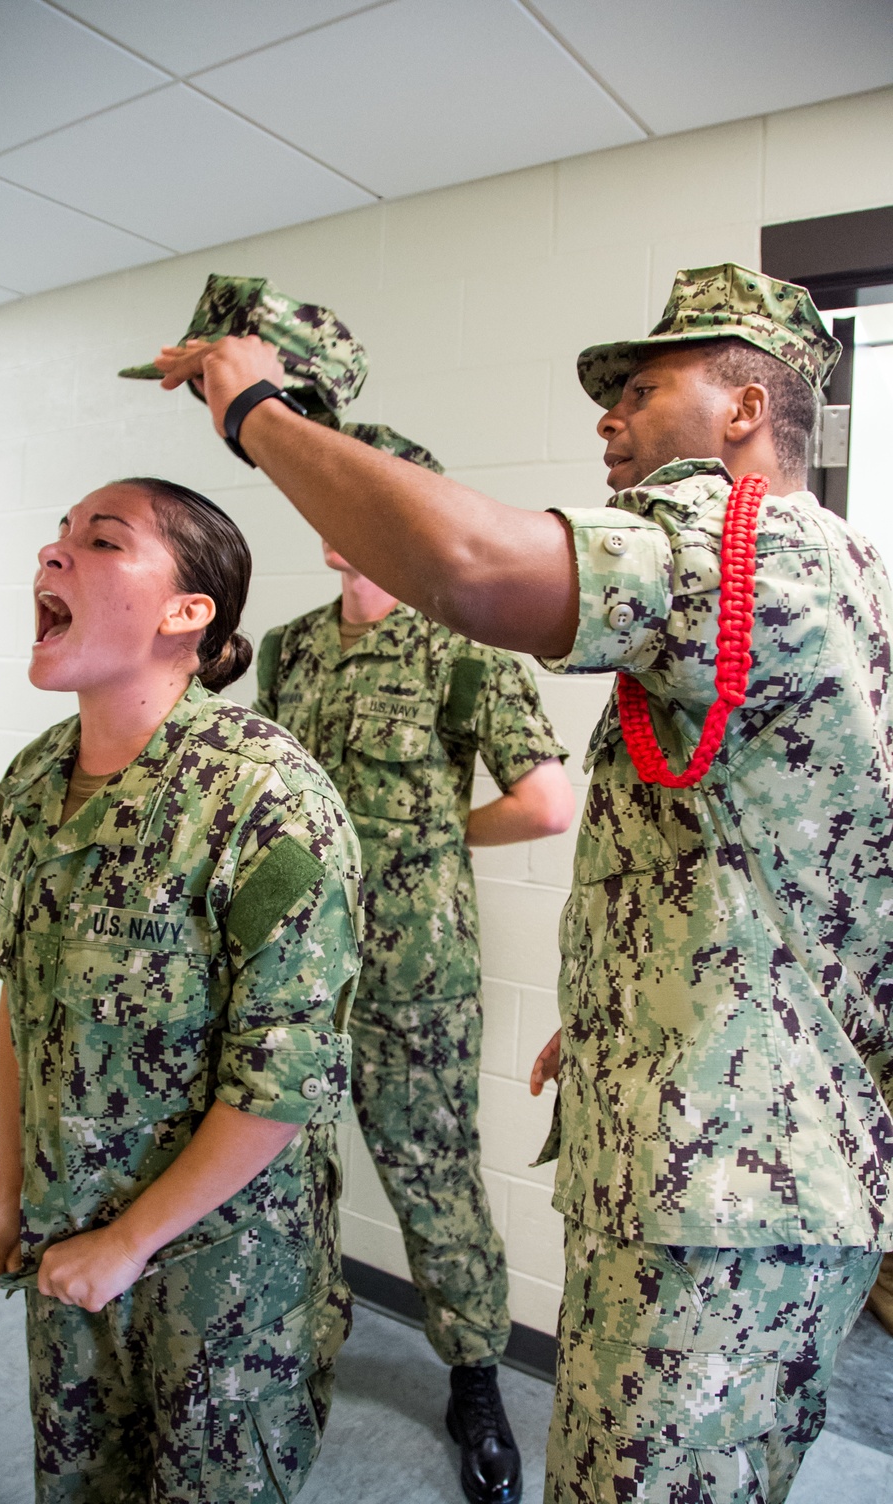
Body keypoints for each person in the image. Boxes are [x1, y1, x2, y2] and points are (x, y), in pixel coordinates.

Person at [152, 262, 893, 1504]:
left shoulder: (748, 546)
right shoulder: (834, 580)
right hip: (741, 1149)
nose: (605, 415)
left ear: (745, 409)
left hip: (716, 1201)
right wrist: (621, 1012)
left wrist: (260, 417)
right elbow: (797, 865)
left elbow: (469, 564)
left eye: (642, 386)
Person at [0, 477, 363, 1504]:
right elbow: (25, 998)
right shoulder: (31, 784)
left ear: (189, 615)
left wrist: (131, 1241)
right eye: (55, 539)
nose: (52, 557)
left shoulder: (266, 795)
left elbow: (285, 1079)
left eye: (99, 542)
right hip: (69, 1247)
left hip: (223, 1283)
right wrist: (9, 1186)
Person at [254, 421, 574, 1504]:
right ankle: (283, 1349)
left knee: (431, 1178)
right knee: (275, 1167)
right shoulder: (289, 649)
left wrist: (436, 836)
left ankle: (475, 1372)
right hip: (294, 960)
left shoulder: (461, 641)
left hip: (413, 969)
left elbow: (546, 800)